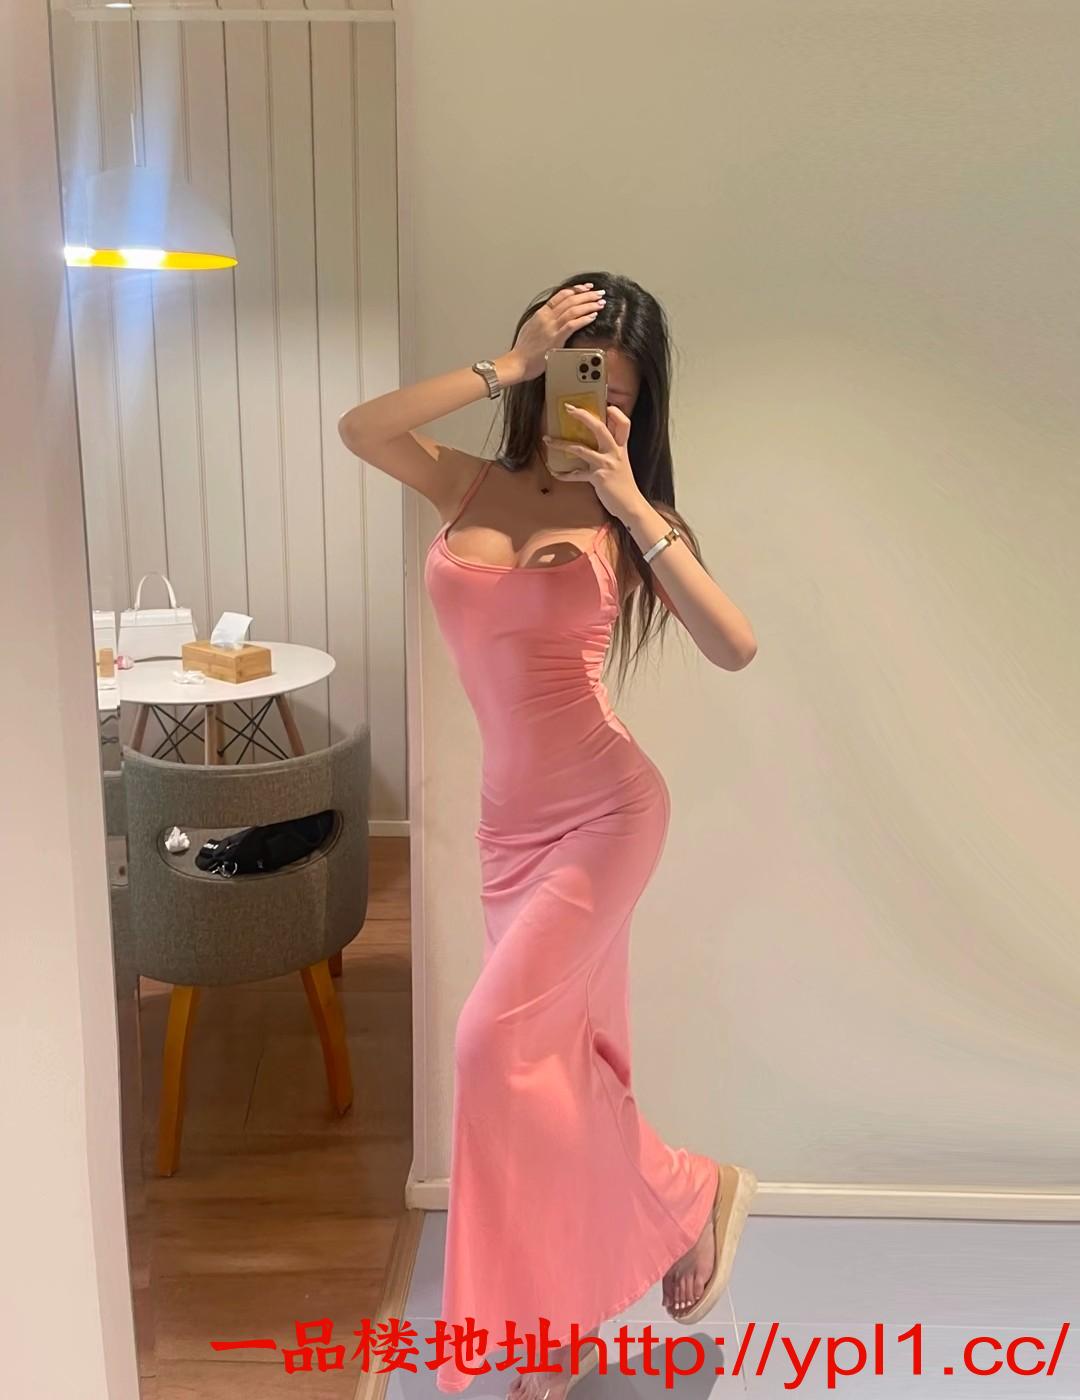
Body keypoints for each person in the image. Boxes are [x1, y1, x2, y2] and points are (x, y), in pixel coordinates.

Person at [339, 273, 759, 1399]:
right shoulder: (467, 482)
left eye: (621, 394)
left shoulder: (627, 519)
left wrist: (630, 500)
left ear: (643, 407)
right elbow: (361, 428)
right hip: (508, 832)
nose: (598, 405)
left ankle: (660, 1215)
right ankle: (604, 1281)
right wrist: (508, 364)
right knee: (544, 1073)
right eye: (583, 378)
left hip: (607, 815)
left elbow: (734, 646)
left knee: (491, 1046)